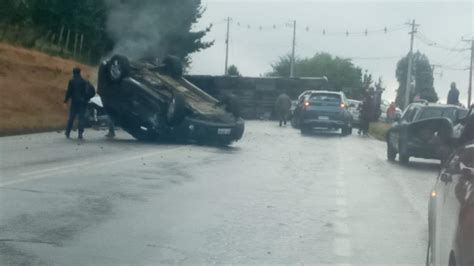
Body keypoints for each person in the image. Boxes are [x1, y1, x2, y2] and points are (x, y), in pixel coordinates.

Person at [64, 67, 95, 139]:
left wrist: (65, 101)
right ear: (79, 72)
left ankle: (67, 132)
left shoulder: (71, 81)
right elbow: (87, 92)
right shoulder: (84, 82)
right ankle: (80, 133)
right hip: (83, 103)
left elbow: (69, 92)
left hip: (74, 102)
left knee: (71, 118)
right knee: (81, 118)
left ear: (74, 73)